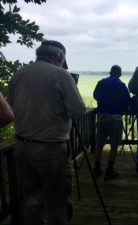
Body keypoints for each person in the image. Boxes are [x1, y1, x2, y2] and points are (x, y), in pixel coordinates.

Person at [7, 40, 86, 225]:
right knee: (58, 201)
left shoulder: (18, 74)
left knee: (32, 201)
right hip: (51, 150)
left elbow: (10, 110)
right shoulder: (61, 75)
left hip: (22, 148)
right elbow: (79, 111)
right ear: (59, 57)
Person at [93, 65, 131, 180]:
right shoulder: (121, 85)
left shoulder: (101, 83)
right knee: (114, 145)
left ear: (110, 72)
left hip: (102, 117)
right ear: (120, 73)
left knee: (99, 144)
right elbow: (126, 103)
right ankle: (109, 171)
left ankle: (97, 168)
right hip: (115, 118)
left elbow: (96, 95)